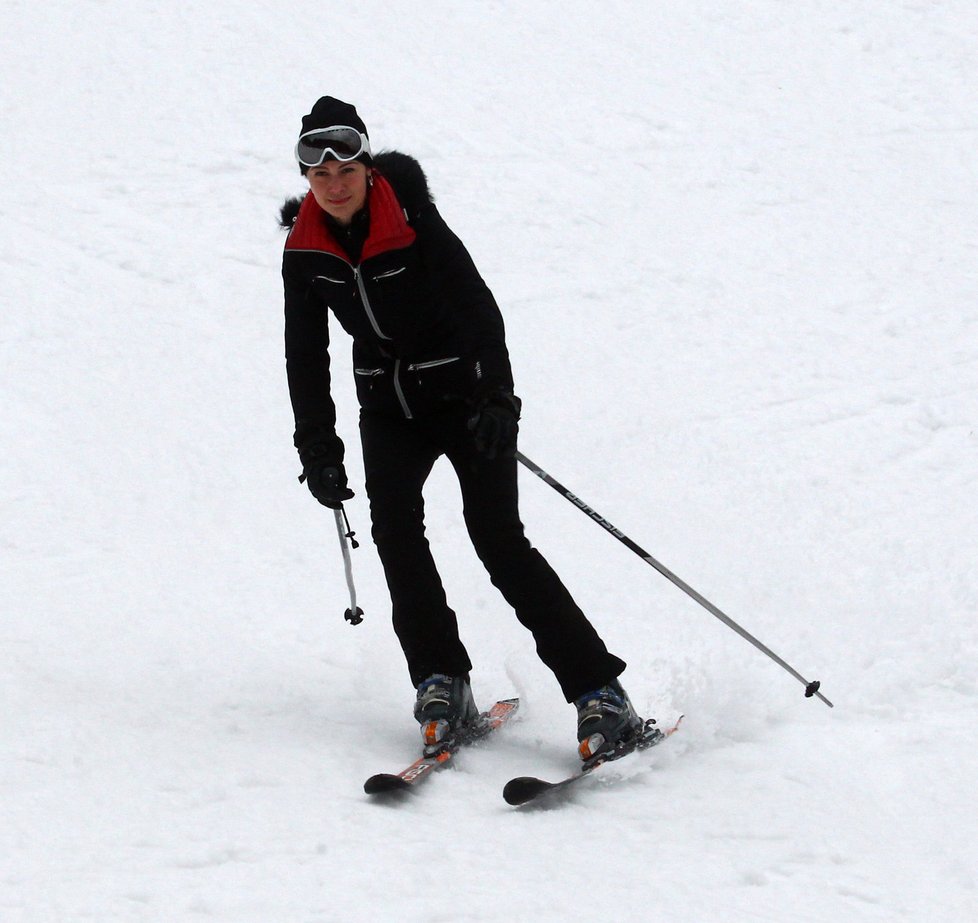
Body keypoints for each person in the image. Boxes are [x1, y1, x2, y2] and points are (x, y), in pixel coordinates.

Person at [281, 96, 642, 761]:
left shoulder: (413, 219)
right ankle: (442, 681)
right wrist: (318, 447)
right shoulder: (306, 250)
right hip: (387, 409)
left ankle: (601, 692)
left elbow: (478, 307)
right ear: (306, 178)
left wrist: (499, 400)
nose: (333, 185)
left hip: (461, 398)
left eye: (345, 170)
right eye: (318, 173)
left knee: (498, 539)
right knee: (395, 533)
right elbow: (306, 355)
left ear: (365, 166)